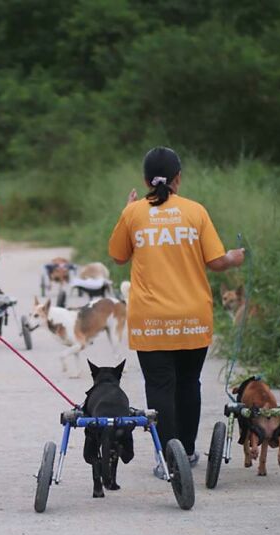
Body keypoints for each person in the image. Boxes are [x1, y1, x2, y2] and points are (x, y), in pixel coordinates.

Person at [108, 146, 245, 477]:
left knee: (159, 386)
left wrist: (126, 213)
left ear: (146, 180)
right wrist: (234, 257)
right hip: (192, 317)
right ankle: (187, 451)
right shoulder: (195, 211)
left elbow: (118, 256)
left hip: (150, 320)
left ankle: (167, 458)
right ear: (178, 178)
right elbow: (216, 262)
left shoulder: (133, 213)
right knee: (188, 383)